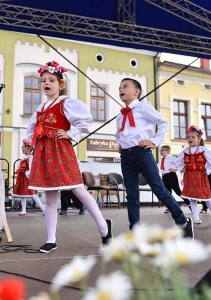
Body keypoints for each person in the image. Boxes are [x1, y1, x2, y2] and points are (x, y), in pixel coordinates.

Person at [26, 61, 112, 253]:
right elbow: (32, 129)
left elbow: (85, 120)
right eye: (43, 81)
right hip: (43, 152)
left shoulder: (66, 103)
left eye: (51, 80)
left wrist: (70, 133)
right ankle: (51, 239)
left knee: (78, 189)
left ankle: (104, 228)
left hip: (60, 150)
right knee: (49, 196)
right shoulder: (40, 109)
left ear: (61, 84)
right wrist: (28, 144)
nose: (46, 83)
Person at [115, 78, 193, 238]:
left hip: (142, 153)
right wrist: (120, 144)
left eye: (125, 86)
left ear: (137, 92)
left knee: (159, 189)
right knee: (131, 195)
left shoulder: (143, 107)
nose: (121, 90)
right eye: (119, 88)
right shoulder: (119, 116)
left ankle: (183, 221)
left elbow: (163, 123)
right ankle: (135, 231)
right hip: (126, 157)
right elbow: (120, 133)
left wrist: (155, 141)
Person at [176, 126, 211, 225]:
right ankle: (196, 217)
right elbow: (178, 161)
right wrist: (182, 168)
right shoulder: (185, 151)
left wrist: (208, 169)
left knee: (206, 196)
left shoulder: (203, 150)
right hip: (189, 176)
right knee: (192, 197)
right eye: (188, 137)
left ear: (199, 139)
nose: (190, 139)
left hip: (201, 176)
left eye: (193, 137)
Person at [13, 139, 45, 216]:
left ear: (28, 148)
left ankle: (43, 208)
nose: (22, 149)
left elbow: (32, 168)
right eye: (22, 148)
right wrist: (19, 171)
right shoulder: (23, 158)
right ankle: (23, 209)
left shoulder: (31, 158)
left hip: (27, 178)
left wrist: (27, 173)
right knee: (22, 194)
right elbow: (19, 166)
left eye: (23, 147)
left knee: (31, 193)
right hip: (21, 177)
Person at [159, 145, 190, 213]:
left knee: (178, 191)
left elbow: (180, 164)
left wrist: (175, 170)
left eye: (162, 150)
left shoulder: (171, 158)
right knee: (167, 193)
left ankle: (189, 204)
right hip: (164, 176)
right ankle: (170, 207)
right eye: (160, 150)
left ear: (167, 151)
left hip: (171, 176)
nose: (161, 152)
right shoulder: (162, 159)